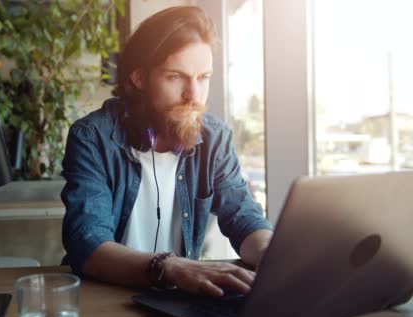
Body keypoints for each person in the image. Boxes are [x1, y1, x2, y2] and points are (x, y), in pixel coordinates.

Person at [61, 6, 273, 297]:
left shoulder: (215, 137)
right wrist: (169, 266)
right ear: (139, 77)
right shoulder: (92, 136)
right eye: (176, 77)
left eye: (203, 77)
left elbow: (243, 216)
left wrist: (270, 254)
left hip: (178, 299)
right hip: (104, 295)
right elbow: (86, 243)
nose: (194, 95)